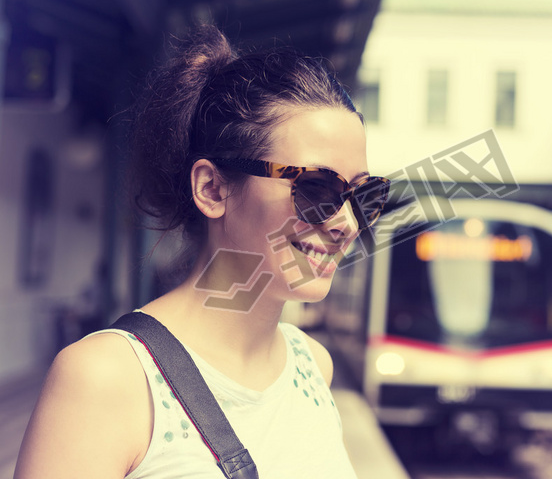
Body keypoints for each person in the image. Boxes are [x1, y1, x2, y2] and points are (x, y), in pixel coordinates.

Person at [14, 25, 390, 479]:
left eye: (363, 195)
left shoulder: (313, 367)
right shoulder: (106, 379)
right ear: (212, 189)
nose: (347, 223)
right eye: (318, 188)